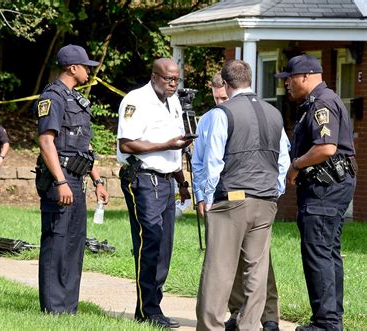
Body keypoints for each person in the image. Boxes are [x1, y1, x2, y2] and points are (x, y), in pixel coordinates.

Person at [192, 59, 290, 331]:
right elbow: (284, 158)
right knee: (256, 270)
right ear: (250, 79)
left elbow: (213, 161)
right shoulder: (274, 113)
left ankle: (210, 326)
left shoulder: (222, 114)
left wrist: (207, 197)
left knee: (219, 268)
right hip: (266, 198)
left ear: (224, 83)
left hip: (232, 198)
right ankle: (249, 326)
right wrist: (275, 190)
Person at [275, 54, 356, 331]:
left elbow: (326, 148)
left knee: (318, 252)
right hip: (330, 186)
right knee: (328, 252)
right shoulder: (320, 101)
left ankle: (325, 323)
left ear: (306, 76)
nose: (287, 85)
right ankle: (331, 320)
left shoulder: (322, 103)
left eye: (289, 79)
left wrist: (295, 165)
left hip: (324, 188)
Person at [117, 58, 193, 329]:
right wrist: (166, 144)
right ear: (154, 76)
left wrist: (182, 182)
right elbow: (126, 145)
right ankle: (148, 309)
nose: (173, 84)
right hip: (143, 179)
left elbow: (176, 149)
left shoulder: (173, 102)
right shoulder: (136, 100)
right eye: (168, 78)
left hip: (167, 181)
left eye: (176, 79)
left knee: (164, 246)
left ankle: (152, 306)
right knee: (149, 241)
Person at [33, 44, 109, 314]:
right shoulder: (52, 98)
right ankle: (53, 308)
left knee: (75, 242)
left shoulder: (75, 99)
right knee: (57, 240)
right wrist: (60, 181)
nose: (89, 70)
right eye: (86, 66)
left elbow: (85, 146)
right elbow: (46, 141)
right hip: (61, 179)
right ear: (72, 68)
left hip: (77, 177)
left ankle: (68, 308)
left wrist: (98, 181)